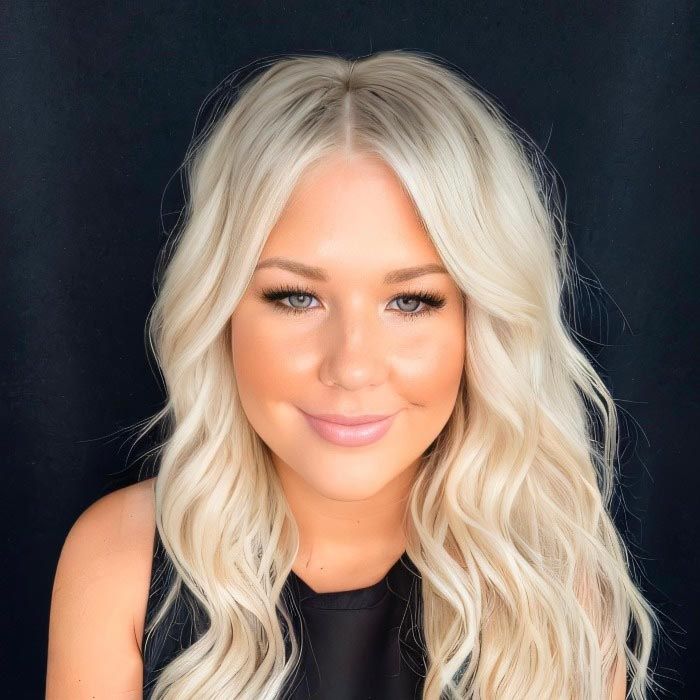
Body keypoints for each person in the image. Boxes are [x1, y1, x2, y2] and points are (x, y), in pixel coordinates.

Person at [46, 50, 660, 699]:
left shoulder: (555, 587)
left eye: (411, 301)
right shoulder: (120, 562)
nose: (353, 366)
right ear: (219, 311)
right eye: (296, 297)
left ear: (481, 326)